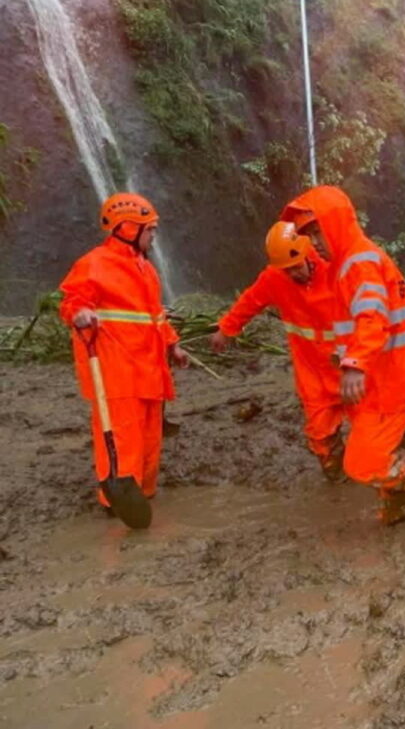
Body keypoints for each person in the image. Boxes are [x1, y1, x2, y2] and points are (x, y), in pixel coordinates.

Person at [279, 185, 405, 524]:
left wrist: (354, 364)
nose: (315, 243)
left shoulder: (358, 262)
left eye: (317, 232)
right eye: (309, 235)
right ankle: (400, 506)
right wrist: (344, 359)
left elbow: (372, 317)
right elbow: (357, 323)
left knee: (361, 464)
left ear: (335, 222)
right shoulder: (350, 263)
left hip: (389, 381)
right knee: (376, 451)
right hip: (379, 380)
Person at [58, 193, 187, 529]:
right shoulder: (94, 264)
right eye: (150, 230)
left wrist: (173, 345)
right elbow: (71, 301)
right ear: (127, 228)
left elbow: (155, 316)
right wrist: (81, 314)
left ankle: (142, 492)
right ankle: (114, 501)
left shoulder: (146, 269)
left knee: (148, 438)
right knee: (121, 438)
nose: (154, 237)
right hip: (116, 370)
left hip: (147, 369)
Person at [211, 222, 346, 480]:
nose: (294, 274)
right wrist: (225, 329)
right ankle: (337, 476)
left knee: (373, 427)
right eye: (287, 270)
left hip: (349, 365)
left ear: (307, 253)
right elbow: (249, 302)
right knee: (321, 434)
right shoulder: (274, 278)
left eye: (296, 267)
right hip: (312, 372)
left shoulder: (335, 268)